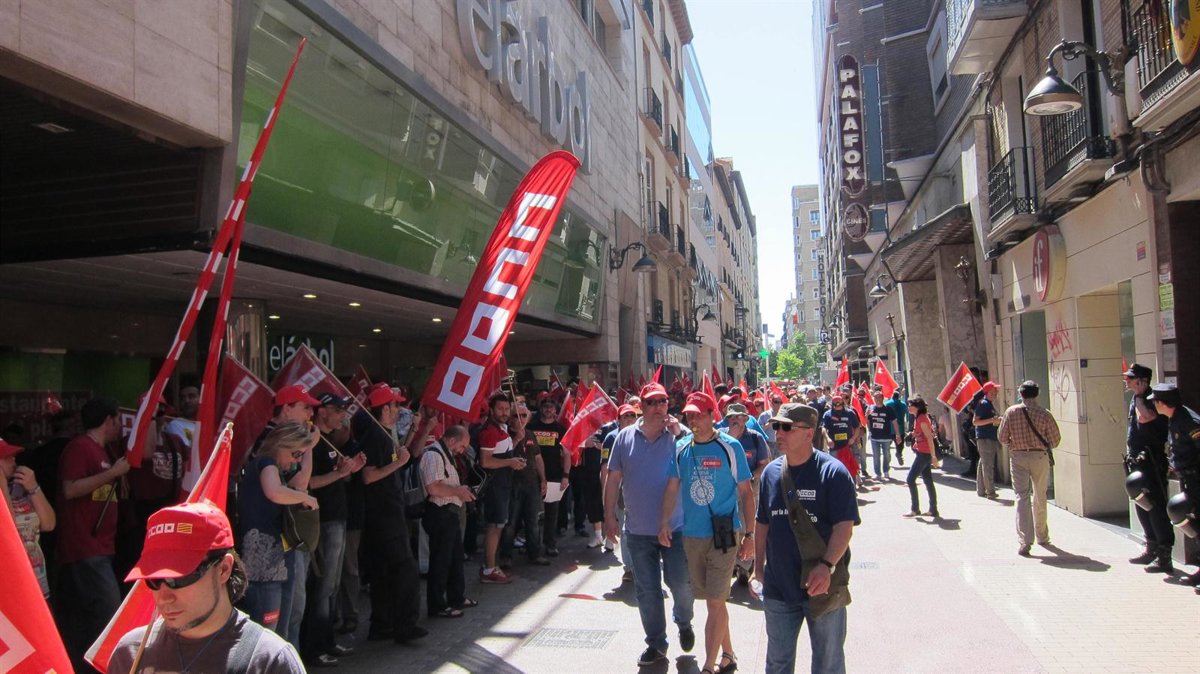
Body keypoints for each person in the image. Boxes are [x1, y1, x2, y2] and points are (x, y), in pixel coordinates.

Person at [108, 501, 305, 673]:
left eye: (179, 579)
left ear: (223, 569)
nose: (164, 596)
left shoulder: (270, 661)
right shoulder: (132, 653)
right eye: (153, 580)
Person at [752, 403, 858, 674]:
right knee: (777, 663)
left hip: (822, 586)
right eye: (777, 426)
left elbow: (844, 527)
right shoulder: (771, 473)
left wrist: (827, 565)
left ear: (809, 433)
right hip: (779, 587)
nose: (779, 433)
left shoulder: (833, 473)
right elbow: (762, 523)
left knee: (828, 664)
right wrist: (757, 568)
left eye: (787, 427)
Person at [659, 392, 754, 674]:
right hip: (692, 536)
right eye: (690, 415)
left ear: (713, 416)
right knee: (715, 601)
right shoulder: (681, 448)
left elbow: (746, 492)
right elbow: (672, 486)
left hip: (724, 536)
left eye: (699, 415)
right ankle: (728, 654)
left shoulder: (730, 447)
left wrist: (749, 535)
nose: (694, 420)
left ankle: (709, 666)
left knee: (715, 601)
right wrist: (664, 522)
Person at [604, 382, 695, 666]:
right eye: (652, 402)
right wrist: (608, 516)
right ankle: (656, 643)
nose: (658, 407)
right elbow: (613, 479)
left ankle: (684, 621)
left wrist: (680, 433)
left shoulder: (679, 436)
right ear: (641, 407)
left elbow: (698, 458)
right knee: (647, 590)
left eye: (663, 401)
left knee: (680, 584)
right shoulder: (624, 437)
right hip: (638, 530)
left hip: (676, 527)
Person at [55, 397, 130, 671]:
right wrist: (112, 473)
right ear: (108, 420)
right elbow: (70, 489)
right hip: (84, 548)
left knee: (94, 620)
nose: (120, 427)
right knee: (109, 616)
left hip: (101, 547)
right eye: (117, 420)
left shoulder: (104, 451)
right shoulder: (80, 448)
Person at [358, 383, 426, 643]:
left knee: (384, 571)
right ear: (384, 408)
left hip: (387, 511)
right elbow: (368, 476)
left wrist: (403, 454)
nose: (399, 409)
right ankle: (404, 625)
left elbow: (398, 459)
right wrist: (399, 463)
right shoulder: (375, 435)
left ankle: (382, 624)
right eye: (395, 404)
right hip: (384, 514)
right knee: (405, 569)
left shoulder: (384, 433)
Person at [236, 422, 319, 636]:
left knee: (281, 631)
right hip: (263, 565)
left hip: (279, 560)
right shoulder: (266, 462)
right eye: (296, 453)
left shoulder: (275, 467)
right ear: (281, 444)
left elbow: (301, 482)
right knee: (268, 634)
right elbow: (274, 492)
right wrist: (305, 498)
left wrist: (308, 449)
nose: (297, 460)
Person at [302, 393, 366, 665]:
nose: (342, 415)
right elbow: (309, 482)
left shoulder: (329, 441)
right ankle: (315, 648)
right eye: (337, 409)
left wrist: (347, 469)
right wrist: (339, 473)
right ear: (322, 411)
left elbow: (336, 477)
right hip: (324, 520)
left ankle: (328, 640)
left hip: (339, 518)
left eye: (343, 410)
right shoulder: (312, 442)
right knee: (323, 585)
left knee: (333, 585)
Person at [421, 424, 478, 618]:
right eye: (462, 446)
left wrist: (461, 491)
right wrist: (457, 491)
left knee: (455, 558)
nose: (462, 451)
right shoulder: (433, 455)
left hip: (450, 511)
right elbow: (433, 488)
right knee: (440, 560)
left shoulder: (447, 455)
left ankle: (457, 597)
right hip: (439, 512)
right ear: (452, 440)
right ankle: (436, 605)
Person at [998, 380, 1061, 556]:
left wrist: (1014, 442)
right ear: (1037, 394)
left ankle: (1025, 540)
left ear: (1021, 394)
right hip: (1039, 457)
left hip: (1018, 457)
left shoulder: (1011, 412)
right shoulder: (1045, 414)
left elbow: (1002, 438)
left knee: (1021, 496)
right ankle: (1042, 535)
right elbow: (1055, 440)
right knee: (1040, 495)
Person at [1147, 383, 1200, 586]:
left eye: (1155, 402)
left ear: (1162, 403)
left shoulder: (1189, 421)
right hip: (1188, 479)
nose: (1153, 405)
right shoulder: (1176, 418)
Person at [1121, 365, 1173, 571]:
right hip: (1137, 461)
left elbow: (1146, 417)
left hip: (1151, 462)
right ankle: (1151, 547)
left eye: (1131, 379)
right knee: (1142, 506)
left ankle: (1164, 555)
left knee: (1156, 508)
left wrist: (1141, 395)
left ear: (1142, 381)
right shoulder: (1136, 399)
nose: (1127, 381)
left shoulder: (1150, 399)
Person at [477, 392, 527, 583]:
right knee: (494, 526)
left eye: (507, 409)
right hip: (494, 487)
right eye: (500, 409)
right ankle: (489, 569)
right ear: (491, 410)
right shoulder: (489, 431)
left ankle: (491, 566)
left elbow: (502, 453)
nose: (505, 412)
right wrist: (510, 462)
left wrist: (515, 444)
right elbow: (486, 461)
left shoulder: (501, 428)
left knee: (498, 526)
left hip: (503, 485)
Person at [2, 438, 56, 597]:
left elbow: (49, 524)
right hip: (10, 582)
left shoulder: (20, 488)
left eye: (13, 455)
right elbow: (9, 529)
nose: (13, 460)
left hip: (35, 577)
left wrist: (34, 487)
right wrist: (1, 485)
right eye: (6, 457)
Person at [500, 401, 548, 566]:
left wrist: (543, 479)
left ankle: (534, 554)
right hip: (512, 484)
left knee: (533, 521)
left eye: (523, 415)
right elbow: (502, 457)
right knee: (510, 523)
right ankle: (506, 556)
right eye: (516, 415)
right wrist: (516, 440)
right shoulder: (505, 434)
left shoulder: (530, 434)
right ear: (510, 418)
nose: (520, 419)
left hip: (531, 483)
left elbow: (538, 458)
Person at [525, 394, 569, 556]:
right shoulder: (531, 427)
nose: (548, 409)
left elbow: (567, 454)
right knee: (531, 514)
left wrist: (566, 475)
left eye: (551, 407)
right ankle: (532, 546)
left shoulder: (561, 430)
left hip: (554, 475)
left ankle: (550, 544)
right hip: (531, 475)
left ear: (556, 410)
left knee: (552, 513)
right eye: (545, 406)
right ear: (540, 409)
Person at [902, 396, 940, 519]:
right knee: (928, 480)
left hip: (924, 453)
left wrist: (933, 456)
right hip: (923, 452)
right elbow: (925, 435)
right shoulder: (919, 417)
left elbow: (929, 437)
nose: (908, 407)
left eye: (910, 405)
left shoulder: (922, 418)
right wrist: (915, 435)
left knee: (910, 479)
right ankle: (933, 509)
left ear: (917, 407)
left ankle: (915, 509)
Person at [971, 382, 1002, 499]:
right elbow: (975, 422)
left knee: (983, 463)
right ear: (988, 391)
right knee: (988, 465)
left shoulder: (988, 404)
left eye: (996, 391)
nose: (996, 393)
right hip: (985, 438)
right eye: (994, 391)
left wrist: (995, 420)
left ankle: (981, 490)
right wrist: (993, 420)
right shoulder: (983, 404)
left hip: (988, 437)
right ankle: (990, 492)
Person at [821, 395, 861, 480]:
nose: (837, 404)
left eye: (839, 402)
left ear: (842, 403)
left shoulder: (850, 413)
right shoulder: (827, 414)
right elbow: (823, 428)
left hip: (848, 446)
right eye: (835, 403)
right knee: (835, 470)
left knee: (850, 469)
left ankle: (852, 485)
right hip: (834, 446)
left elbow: (857, 427)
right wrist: (828, 439)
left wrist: (853, 438)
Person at [865, 390, 901, 480]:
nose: (878, 399)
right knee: (876, 456)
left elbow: (895, 422)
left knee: (886, 455)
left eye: (880, 397)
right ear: (873, 398)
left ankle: (886, 471)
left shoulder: (888, 409)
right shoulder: (870, 408)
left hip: (886, 437)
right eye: (876, 397)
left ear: (883, 398)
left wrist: (898, 434)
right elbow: (866, 421)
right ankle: (877, 473)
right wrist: (867, 416)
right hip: (874, 437)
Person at [886, 391, 908, 466]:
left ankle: (887, 457)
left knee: (887, 445)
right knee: (900, 444)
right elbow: (905, 414)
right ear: (899, 396)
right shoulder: (903, 404)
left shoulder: (887, 404)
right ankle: (899, 453)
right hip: (900, 428)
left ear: (892, 396)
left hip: (890, 428)